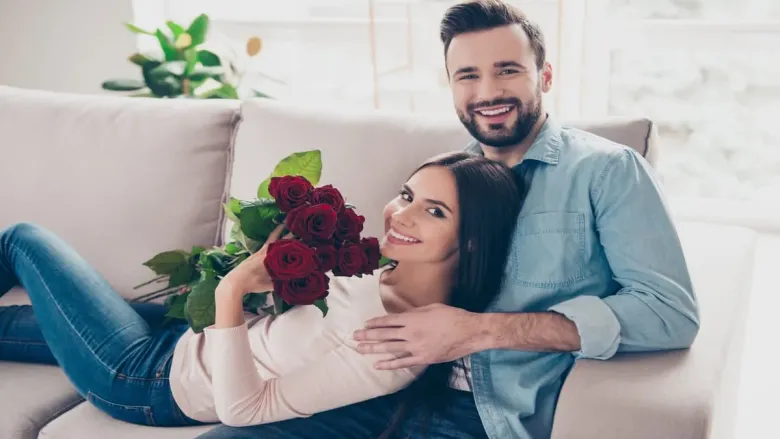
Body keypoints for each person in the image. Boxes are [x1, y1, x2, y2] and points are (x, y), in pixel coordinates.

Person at [198, 1, 700, 438]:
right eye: (467, 75)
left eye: (508, 70)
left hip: (481, 414)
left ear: (544, 76)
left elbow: (669, 314)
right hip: (383, 379)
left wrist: (479, 331)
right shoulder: (444, 175)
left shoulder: (605, 171)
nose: (488, 92)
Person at [0, 152, 523, 430]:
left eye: (434, 211)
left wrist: (230, 292)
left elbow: (244, 410)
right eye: (407, 194)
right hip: (176, 332)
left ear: (473, 239)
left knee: (22, 240)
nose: (401, 214)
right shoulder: (373, 264)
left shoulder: (395, 346)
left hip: (147, 379)